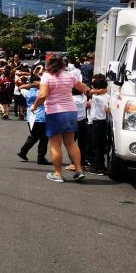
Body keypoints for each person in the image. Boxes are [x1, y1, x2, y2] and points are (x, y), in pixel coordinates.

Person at [31, 55, 90, 183]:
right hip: (71, 111)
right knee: (71, 143)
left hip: (55, 112)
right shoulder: (69, 75)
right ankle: (79, 170)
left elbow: (42, 95)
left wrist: (34, 106)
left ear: (48, 64)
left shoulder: (47, 76)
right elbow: (84, 88)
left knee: (55, 144)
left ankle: (58, 174)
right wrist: (90, 96)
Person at [17, 75, 49, 165]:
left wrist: (30, 85)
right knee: (44, 138)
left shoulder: (26, 92)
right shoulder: (42, 92)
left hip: (30, 117)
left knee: (34, 136)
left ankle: (23, 152)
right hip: (41, 118)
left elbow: (18, 88)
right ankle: (41, 158)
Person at [88, 74, 109, 174]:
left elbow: (91, 91)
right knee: (99, 146)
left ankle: (98, 167)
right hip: (102, 123)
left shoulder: (97, 98)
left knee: (97, 146)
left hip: (98, 124)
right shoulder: (106, 96)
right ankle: (99, 166)